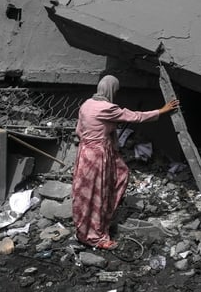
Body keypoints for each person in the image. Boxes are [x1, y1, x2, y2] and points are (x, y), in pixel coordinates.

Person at [72, 75, 179, 250]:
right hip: (97, 155)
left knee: (90, 190)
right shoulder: (106, 108)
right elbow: (135, 117)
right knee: (97, 192)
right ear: (111, 90)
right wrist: (161, 110)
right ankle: (94, 236)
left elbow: (79, 129)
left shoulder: (87, 104)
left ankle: (93, 225)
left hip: (85, 153)